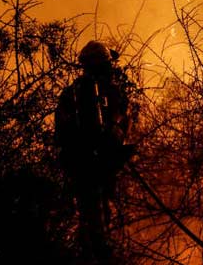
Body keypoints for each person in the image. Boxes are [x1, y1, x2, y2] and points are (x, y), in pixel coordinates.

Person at [55, 40, 133, 263]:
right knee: (99, 219)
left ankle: (93, 251)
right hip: (94, 165)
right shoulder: (112, 92)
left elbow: (60, 134)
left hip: (83, 165)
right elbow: (122, 124)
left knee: (91, 215)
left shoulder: (71, 93)